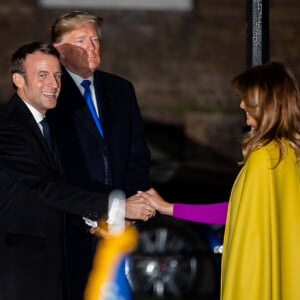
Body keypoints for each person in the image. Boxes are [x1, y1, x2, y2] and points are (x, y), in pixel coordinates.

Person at [0, 41, 154, 300]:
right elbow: (44, 187)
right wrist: (117, 206)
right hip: (20, 270)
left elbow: (53, 191)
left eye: (58, 75)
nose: (54, 83)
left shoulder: (46, 124)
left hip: (48, 268)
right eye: (43, 75)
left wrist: (91, 223)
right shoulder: (9, 128)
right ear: (19, 80)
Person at [139, 62, 300, 299]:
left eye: (247, 99)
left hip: (256, 279)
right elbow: (238, 212)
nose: (241, 104)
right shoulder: (289, 153)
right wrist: (170, 208)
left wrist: (168, 208)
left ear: (266, 103)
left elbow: (232, 214)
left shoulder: (264, 157)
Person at [47, 11, 151, 299]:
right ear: (59, 49)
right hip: (70, 230)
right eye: (81, 40)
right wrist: (92, 219)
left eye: (95, 39)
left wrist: (128, 211)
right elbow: (54, 168)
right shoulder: (50, 94)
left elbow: (137, 154)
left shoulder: (121, 89)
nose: (92, 47)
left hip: (118, 229)